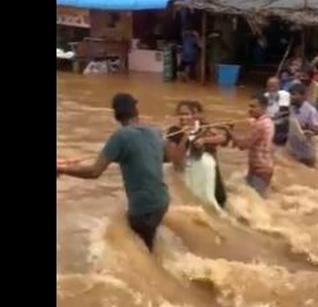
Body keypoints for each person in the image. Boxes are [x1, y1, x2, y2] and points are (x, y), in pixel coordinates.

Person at [57, 93, 169, 252]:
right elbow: (160, 158)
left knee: (139, 251)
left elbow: (94, 172)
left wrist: (62, 169)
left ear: (116, 115)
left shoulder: (120, 136)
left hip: (144, 208)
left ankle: (154, 273)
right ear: (136, 111)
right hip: (162, 200)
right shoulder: (154, 132)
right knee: (148, 244)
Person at [166, 101, 229, 212]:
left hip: (212, 178)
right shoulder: (174, 132)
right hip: (191, 179)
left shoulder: (205, 128)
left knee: (219, 205)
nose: (182, 117)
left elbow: (223, 138)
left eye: (186, 114)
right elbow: (176, 161)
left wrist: (204, 140)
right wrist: (185, 136)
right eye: (180, 114)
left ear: (194, 115)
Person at [231, 95, 275, 198]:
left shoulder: (260, 125)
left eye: (253, 107)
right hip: (262, 166)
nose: (250, 110)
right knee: (252, 197)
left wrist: (229, 132)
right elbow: (251, 123)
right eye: (249, 106)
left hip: (260, 168)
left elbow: (243, 145)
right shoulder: (267, 121)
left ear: (263, 108)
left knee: (254, 201)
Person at [287, 83, 318, 167]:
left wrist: (307, 128)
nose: (290, 97)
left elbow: (317, 130)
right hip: (293, 148)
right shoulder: (292, 107)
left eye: (294, 94)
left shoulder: (311, 111)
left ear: (303, 96)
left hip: (306, 150)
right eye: (290, 94)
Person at [263, 77, 290, 145]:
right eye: (269, 86)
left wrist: (270, 119)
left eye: (273, 86)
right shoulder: (265, 96)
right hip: (269, 122)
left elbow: (283, 112)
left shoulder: (284, 94)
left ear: (279, 86)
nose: (271, 89)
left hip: (280, 123)